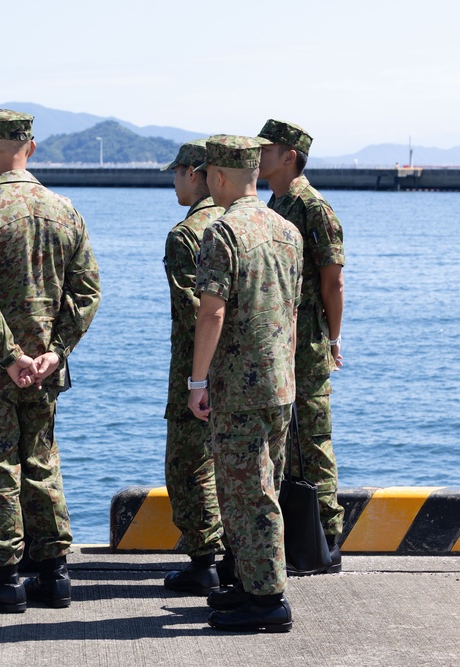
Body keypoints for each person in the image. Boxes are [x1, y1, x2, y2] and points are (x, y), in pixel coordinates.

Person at [0, 109, 101, 613]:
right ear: (30, 148)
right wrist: (55, 351)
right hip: (46, 370)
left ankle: (4, 578)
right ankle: (54, 574)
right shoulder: (65, 211)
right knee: (41, 462)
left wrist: (10, 355)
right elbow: (87, 292)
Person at [187, 135, 303, 632]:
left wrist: (197, 380)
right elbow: (293, 313)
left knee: (246, 492)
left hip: (239, 385)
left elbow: (211, 312)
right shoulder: (286, 230)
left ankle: (269, 599)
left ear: (216, 177)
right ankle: (249, 584)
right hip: (279, 382)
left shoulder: (223, 232)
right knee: (261, 486)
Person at [257, 119, 346, 572]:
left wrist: (332, 339)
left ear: (289, 155)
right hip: (280, 339)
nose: (259, 156)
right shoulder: (275, 204)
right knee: (287, 441)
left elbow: (333, 282)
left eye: (266, 149)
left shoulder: (313, 208)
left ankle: (328, 537)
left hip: (306, 341)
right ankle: (300, 536)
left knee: (311, 437)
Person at [161, 139, 225, 595]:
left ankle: (204, 561)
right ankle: (239, 560)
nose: (175, 181)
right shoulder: (248, 224)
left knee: (189, 465)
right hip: (252, 369)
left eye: (178, 172)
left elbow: (195, 312)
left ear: (196, 172)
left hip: (198, 368)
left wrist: (196, 378)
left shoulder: (186, 236)